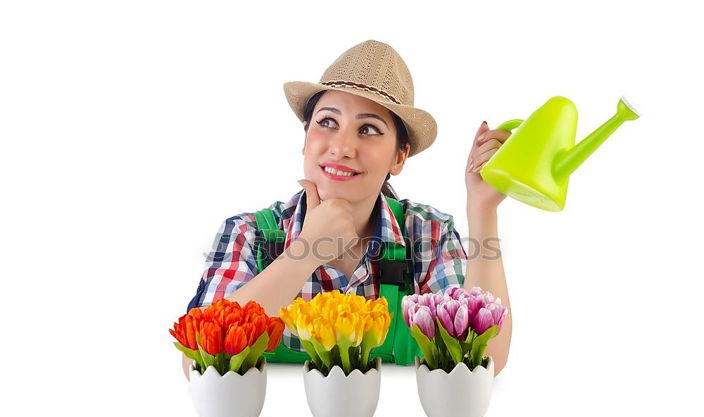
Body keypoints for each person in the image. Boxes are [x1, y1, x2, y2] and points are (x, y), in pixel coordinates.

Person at [182, 40, 513, 379]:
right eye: (327, 122)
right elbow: (198, 358)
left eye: (368, 129)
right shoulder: (247, 234)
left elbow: (484, 359)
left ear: (399, 157)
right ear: (305, 138)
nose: (341, 147)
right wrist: (305, 253)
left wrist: (482, 209)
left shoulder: (429, 235)